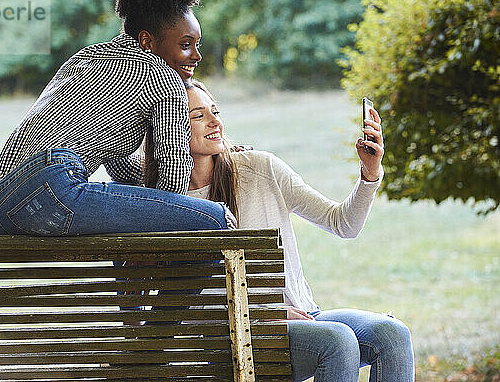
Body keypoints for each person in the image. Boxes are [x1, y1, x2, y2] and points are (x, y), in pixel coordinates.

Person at [160, 80, 415, 382]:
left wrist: (370, 173)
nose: (215, 121)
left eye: (215, 111)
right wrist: (266, 313)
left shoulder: (261, 169)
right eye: (198, 115)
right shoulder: (165, 202)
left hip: (305, 317)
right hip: (231, 334)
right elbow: (185, 300)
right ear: (170, 125)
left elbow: (343, 223)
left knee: (392, 335)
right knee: (338, 342)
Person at [0, 0, 237, 236]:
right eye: (185, 45)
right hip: (51, 193)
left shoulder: (87, 57)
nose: (197, 55)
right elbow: (173, 170)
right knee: (214, 218)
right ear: (147, 41)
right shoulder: (162, 75)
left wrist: (227, 153)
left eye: (198, 44)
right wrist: (173, 214)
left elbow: (121, 167)